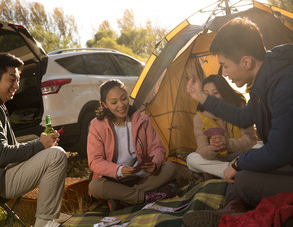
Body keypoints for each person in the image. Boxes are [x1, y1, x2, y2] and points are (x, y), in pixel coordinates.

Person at [185, 17, 293, 225]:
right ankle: (232, 209)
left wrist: (238, 163)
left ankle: (234, 216)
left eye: (225, 66)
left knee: (242, 178)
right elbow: (244, 117)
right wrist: (203, 98)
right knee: (246, 163)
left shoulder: (285, 85)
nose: (224, 74)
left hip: (286, 157)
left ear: (246, 61)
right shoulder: (266, 80)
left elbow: (279, 151)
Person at [0, 53, 68, 227]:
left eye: (17, 79)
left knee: (51, 152)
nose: (16, 85)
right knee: (56, 156)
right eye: (12, 79)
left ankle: (49, 215)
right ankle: (45, 222)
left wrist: (41, 145)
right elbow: (1, 154)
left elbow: (9, 149)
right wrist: (39, 144)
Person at [87, 79, 178, 211]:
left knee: (170, 167)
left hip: (141, 176)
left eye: (124, 99)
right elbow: (95, 161)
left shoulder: (142, 120)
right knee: (95, 186)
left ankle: (125, 199)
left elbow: (157, 148)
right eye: (114, 102)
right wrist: (118, 170)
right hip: (113, 180)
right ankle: (147, 196)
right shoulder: (97, 126)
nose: (121, 105)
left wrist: (155, 163)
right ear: (104, 104)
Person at [187, 74, 257, 179]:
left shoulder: (239, 108)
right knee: (191, 159)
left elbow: (250, 141)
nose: (211, 97)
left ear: (224, 93)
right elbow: (202, 149)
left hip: (240, 155)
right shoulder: (199, 117)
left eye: (215, 93)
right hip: (219, 159)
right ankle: (231, 170)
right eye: (206, 94)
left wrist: (226, 144)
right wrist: (212, 148)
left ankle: (225, 171)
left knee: (261, 147)